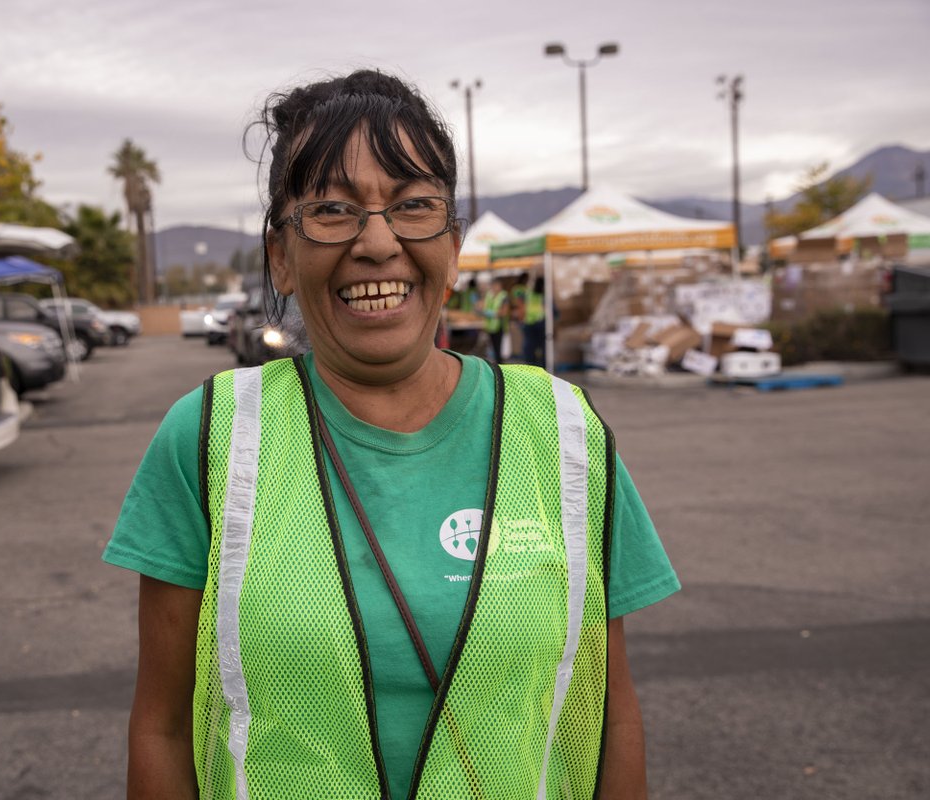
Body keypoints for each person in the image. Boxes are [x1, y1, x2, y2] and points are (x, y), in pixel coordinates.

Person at [104, 69, 679, 800]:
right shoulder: (209, 437)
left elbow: (609, 716)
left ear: (454, 246)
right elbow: (159, 728)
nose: (378, 243)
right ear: (280, 254)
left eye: (413, 206)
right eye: (332, 210)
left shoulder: (565, 433)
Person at [511, 272, 547, 367]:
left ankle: (531, 367)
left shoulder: (527, 292)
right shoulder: (543, 295)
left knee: (529, 347)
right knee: (542, 346)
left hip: (529, 322)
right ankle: (542, 367)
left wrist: (520, 319)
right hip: (540, 321)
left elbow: (521, 306)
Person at [478, 276, 509, 362]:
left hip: (499, 326)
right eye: (493, 285)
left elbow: (504, 312)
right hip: (490, 326)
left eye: (496, 286)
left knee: (498, 350)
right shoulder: (489, 295)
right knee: (491, 349)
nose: (494, 287)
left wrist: (491, 313)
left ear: (500, 286)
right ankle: (494, 365)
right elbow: (482, 306)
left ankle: (500, 366)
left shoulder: (503, 296)